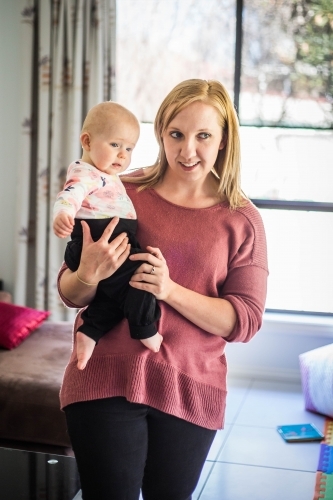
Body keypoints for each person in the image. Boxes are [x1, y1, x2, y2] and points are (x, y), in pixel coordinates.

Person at [58, 79, 268, 500]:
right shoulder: (117, 190)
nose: (187, 150)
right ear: (160, 134)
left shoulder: (242, 220)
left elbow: (244, 321)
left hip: (190, 386)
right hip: (105, 376)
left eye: (203, 135)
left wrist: (169, 289)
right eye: (176, 134)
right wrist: (88, 275)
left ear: (224, 139)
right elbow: (70, 293)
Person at [53, 102, 162, 369]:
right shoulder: (86, 173)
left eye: (129, 148)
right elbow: (70, 194)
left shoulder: (109, 175)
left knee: (112, 297)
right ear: (87, 141)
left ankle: (90, 332)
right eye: (115, 145)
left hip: (113, 243)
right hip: (99, 242)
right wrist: (63, 214)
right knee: (144, 274)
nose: (123, 155)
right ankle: (144, 327)